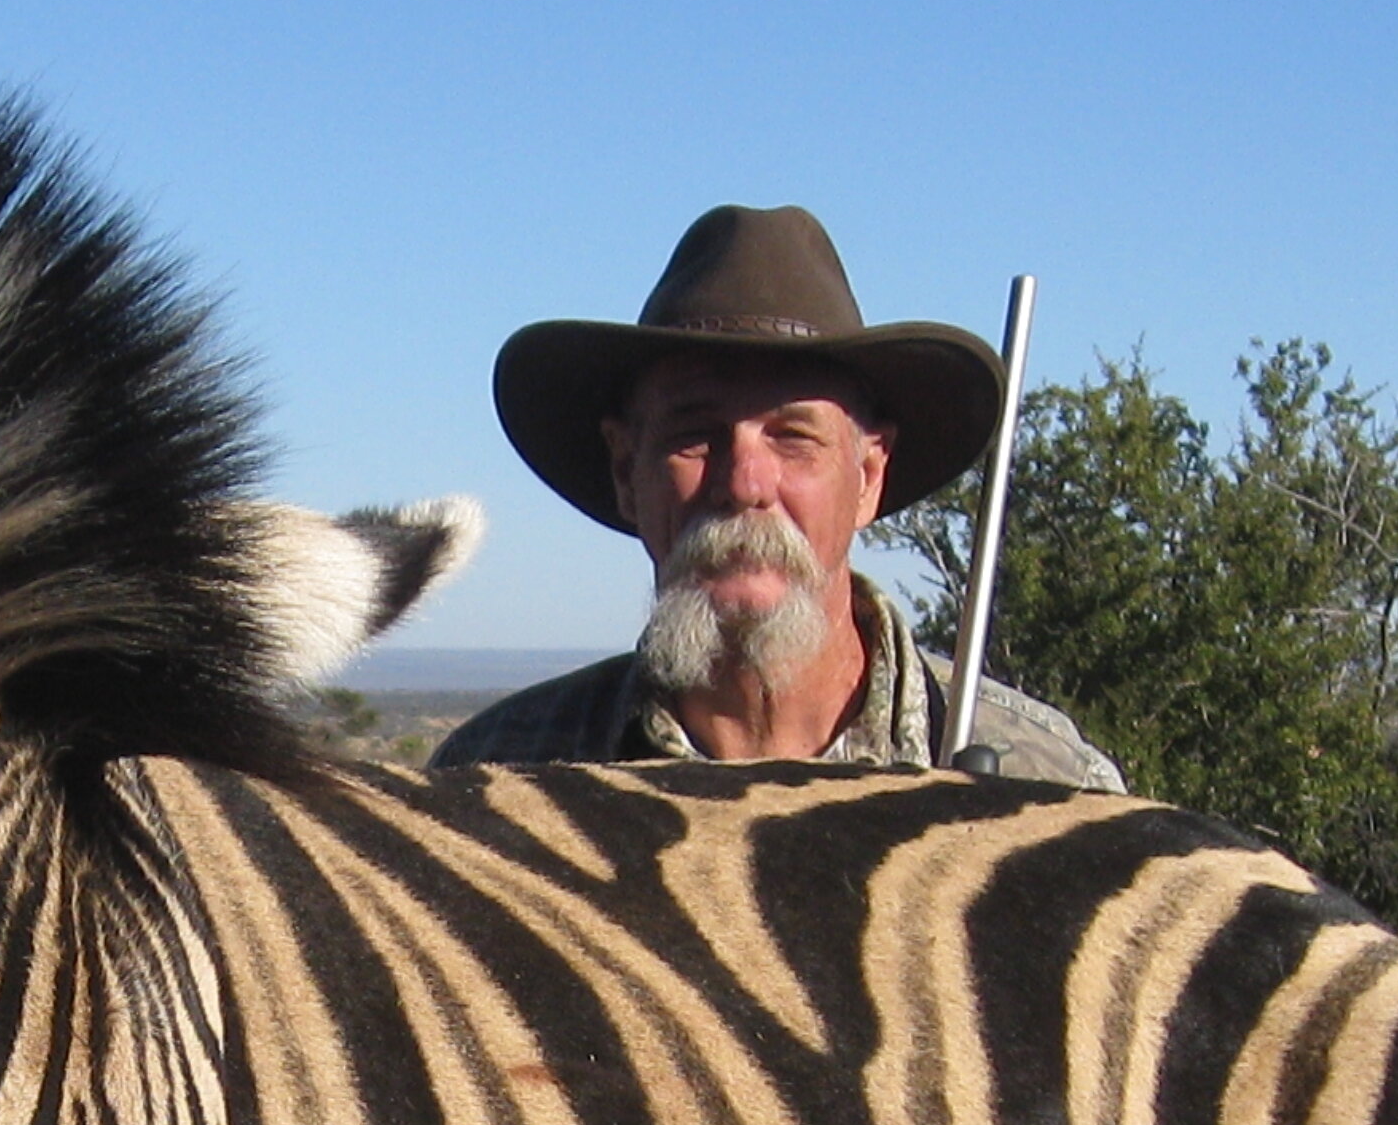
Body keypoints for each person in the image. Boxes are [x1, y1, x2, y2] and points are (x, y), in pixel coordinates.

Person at [431, 204, 1120, 790]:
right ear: (624, 471)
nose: (744, 483)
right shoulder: (498, 785)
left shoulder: (1054, 786)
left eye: (793, 437)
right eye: (695, 436)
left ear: (869, 475)